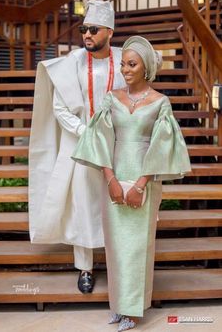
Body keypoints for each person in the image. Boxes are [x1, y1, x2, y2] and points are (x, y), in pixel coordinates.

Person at [72, 36, 191, 330]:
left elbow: (162, 147)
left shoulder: (161, 103)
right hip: (113, 178)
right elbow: (100, 139)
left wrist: (140, 186)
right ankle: (119, 306)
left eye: (132, 64)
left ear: (146, 67)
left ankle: (134, 310)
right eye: (123, 63)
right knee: (115, 246)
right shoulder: (111, 98)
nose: (125, 69)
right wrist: (110, 179)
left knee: (137, 246)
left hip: (144, 181)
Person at [28, 0, 125, 294]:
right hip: (82, 144)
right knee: (82, 205)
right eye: (83, 29)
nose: (86, 35)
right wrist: (86, 132)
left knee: (115, 205)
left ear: (109, 31)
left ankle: (119, 264)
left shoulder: (124, 61)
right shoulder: (71, 63)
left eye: (93, 30)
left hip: (118, 143)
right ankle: (85, 268)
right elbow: (60, 109)